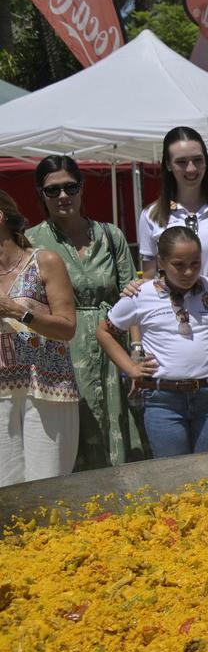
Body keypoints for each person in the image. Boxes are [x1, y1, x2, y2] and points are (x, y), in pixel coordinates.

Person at [27, 155, 148, 469]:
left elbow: (131, 298)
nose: (63, 196)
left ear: (81, 190)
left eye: (70, 187)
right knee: (73, 431)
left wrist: (135, 350)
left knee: (119, 419)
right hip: (61, 347)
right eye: (53, 190)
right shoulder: (31, 242)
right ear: (41, 194)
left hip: (112, 342)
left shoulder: (111, 236)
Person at [137, 127, 208, 448]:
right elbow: (149, 281)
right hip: (171, 330)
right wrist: (139, 347)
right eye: (182, 162)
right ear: (167, 166)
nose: (191, 170)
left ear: (207, 163)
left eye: (198, 161)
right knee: (172, 436)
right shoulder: (152, 216)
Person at [98, 227, 208, 459]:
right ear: (161, 261)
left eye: (195, 263)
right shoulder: (141, 294)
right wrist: (131, 368)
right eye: (179, 265)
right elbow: (104, 331)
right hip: (164, 401)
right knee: (174, 476)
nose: (188, 271)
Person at [0, 191, 78, 485]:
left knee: (49, 488)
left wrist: (18, 312)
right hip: (1, 394)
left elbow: (67, 327)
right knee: (5, 494)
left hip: (46, 388)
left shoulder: (44, 260)